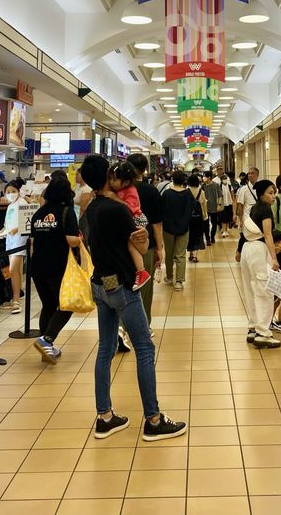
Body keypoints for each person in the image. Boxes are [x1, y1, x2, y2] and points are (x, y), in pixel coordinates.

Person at [80, 153, 187, 442]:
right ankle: (153, 419)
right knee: (144, 347)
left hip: (100, 284)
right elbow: (141, 243)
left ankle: (105, 417)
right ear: (108, 178)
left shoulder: (91, 208)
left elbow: (89, 241)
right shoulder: (117, 210)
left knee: (105, 350)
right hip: (122, 287)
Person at [30, 175, 81, 363]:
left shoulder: (38, 213)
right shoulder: (67, 212)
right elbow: (71, 239)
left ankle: (46, 348)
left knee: (48, 305)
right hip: (58, 266)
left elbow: (33, 242)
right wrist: (81, 241)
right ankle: (47, 340)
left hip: (38, 266)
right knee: (67, 306)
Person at [240, 179, 281, 349]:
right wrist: (274, 258)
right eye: (270, 193)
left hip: (247, 250)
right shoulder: (265, 210)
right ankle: (263, 333)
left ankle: (253, 327)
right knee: (264, 291)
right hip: (258, 250)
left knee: (250, 289)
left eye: (274, 192)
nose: (273, 196)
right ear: (262, 194)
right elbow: (268, 235)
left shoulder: (255, 208)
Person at [128, 153, 163, 330]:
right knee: (145, 288)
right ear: (145, 170)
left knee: (125, 286)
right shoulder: (151, 191)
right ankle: (144, 326)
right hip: (145, 246)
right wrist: (160, 247)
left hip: (123, 245)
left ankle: (123, 327)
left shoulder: (119, 191)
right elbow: (156, 223)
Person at [107, 161, 151, 291]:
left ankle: (141, 271)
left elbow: (130, 209)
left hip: (137, 220)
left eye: (114, 180)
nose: (111, 182)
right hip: (131, 220)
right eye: (110, 179)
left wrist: (114, 198)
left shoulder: (130, 190)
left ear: (126, 182)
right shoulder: (119, 189)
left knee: (132, 247)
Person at [0, 179, 28, 314]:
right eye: (8, 192)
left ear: (18, 191)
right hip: (10, 240)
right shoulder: (10, 206)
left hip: (19, 241)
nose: (11, 194)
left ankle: (16, 299)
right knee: (15, 271)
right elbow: (7, 224)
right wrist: (3, 231)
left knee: (13, 269)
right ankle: (15, 298)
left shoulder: (22, 203)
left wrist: (16, 229)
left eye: (13, 191)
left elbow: (28, 221)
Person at [161, 170, 194, 290]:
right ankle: (179, 281)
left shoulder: (167, 194)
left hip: (168, 229)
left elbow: (162, 211)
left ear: (172, 180)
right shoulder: (188, 194)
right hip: (184, 228)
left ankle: (169, 278)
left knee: (169, 254)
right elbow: (192, 209)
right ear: (184, 180)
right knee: (181, 255)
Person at [187, 173, 208, 262]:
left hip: (188, 218)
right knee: (198, 235)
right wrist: (205, 215)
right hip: (199, 218)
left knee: (190, 236)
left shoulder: (186, 191)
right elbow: (204, 205)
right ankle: (195, 256)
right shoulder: (201, 192)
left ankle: (191, 253)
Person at [203, 170, 222, 244]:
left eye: (205, 176)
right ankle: (207, 239)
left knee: (214, 223)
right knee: (205, 224)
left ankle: (212, 236)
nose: (203, 178)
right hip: (205, 208)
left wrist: (219, 205)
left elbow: (220, 195)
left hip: (214, 207)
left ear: (209, 177)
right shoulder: (202, 186)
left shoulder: (216, 185)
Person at [218, 172, 234, 237]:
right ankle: (224, 230)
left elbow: (232, 195)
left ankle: (226, 230)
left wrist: (233, 202)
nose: (225, 179)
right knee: (223, 217)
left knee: (228, 217)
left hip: (229, 204)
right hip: (222, 204)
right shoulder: (219, 186)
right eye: (224, 178)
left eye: (226, 178)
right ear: (221, 180)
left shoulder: (230, 186)